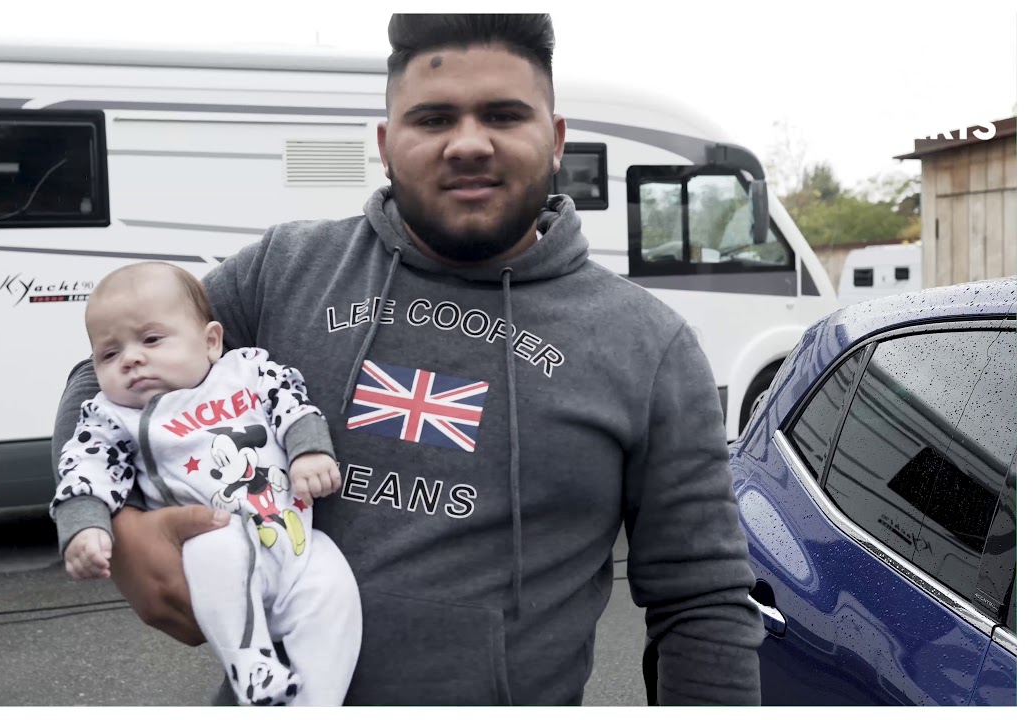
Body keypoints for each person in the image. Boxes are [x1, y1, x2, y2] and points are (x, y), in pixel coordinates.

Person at [52, 14, 765, 705]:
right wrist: (125, 534)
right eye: (433, 119)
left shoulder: (649, 346)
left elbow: (701, 600)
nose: (469, 144)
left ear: (555, 140)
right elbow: (98, 379)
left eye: (504, 115)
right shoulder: (286, 269)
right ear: (386, 143)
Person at [50, 262, 360, 706]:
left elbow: (290, 403)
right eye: (109, 354)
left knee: (332, 588)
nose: (131, 359)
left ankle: (317, 703)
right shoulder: (112, 417)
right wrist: (83, 527)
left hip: (294, 542)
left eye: (151, 340)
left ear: (211, 341)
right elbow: (84, 469)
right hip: (212, 549)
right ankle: (250, 666)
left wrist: (309, 450)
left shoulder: (247, 371)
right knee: (218, 543)